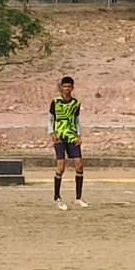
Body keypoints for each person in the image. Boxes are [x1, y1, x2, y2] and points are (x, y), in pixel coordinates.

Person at [49, 75, 86, 210]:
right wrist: (52, 133)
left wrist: (79, 135)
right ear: (62, 87)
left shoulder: (76, 103)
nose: (67, 89)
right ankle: (57, 197)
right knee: (61, 167)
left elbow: (76, 120)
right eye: (65, 86)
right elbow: (50, 119)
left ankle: (78, 197)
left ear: (72, 88)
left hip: (71, 136)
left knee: (79, 165)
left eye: (69, 86)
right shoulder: (55, 102)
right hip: (60, 137)